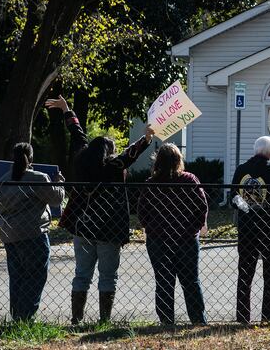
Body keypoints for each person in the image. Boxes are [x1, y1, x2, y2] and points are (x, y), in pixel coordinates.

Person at [45, 95, 154, 325]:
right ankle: (104, 320)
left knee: (81, 275)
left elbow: (77, 136)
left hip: (83, 228)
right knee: (108, 276)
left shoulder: (80, 161)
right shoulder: (113, 167)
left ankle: (76, 318)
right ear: (108, 154)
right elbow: (129, 155)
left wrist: (68, 111)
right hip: (109, 231)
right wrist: (146, 139)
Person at [138, 143, 208, 325]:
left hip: (158, 239)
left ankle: (166, 321)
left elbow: (142, 212)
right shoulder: (189, 180)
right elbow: (202, 207)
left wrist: (152, 228)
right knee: (191, 281)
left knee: (163, 281)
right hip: (186, 239)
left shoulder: (151, 184)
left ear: (158, 161)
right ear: (179, 160)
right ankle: (198, 320)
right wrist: (193, 229)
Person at [0, 143, 65, 321]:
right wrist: (59, 184)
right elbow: (56, 199)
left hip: (10, 235)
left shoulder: (4, 180)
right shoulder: (38, 178)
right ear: (31, 158)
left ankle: (17, 314)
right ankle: (26, 317)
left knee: (17, 277)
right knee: (35, 276)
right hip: (34, 233)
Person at [229, 136, 270, 324]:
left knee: (245, 274)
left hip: (247, 230)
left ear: (255, 150)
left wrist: (248, 210)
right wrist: (268, 212)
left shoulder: (241, 170)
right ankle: (268, 317)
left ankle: (242, 317)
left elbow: (233, 197)